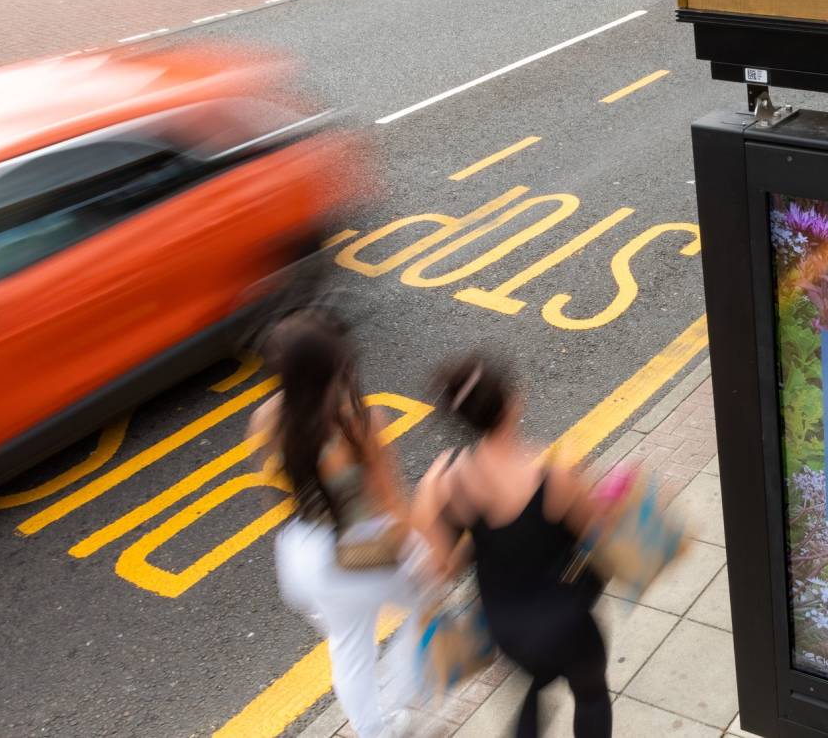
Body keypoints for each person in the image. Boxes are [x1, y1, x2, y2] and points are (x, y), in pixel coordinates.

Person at [412, 353, 611, 738]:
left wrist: (479, 541)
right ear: (513, 402)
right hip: (567, 618)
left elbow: (439, 570)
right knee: (591, 696)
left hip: (506, 628)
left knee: (538, 683)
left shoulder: (441, 483)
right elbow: (598, 532)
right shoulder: (555, 473)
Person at [253, 311, 425, 738]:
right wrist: (423, 556)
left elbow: (278, 491)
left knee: (349, 648)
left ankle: (374, 731)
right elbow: (393, 507)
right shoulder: (356, 421)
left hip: (301, 554)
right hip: (356, 550)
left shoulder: (266, 419)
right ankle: (404, 690)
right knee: (428, 601)